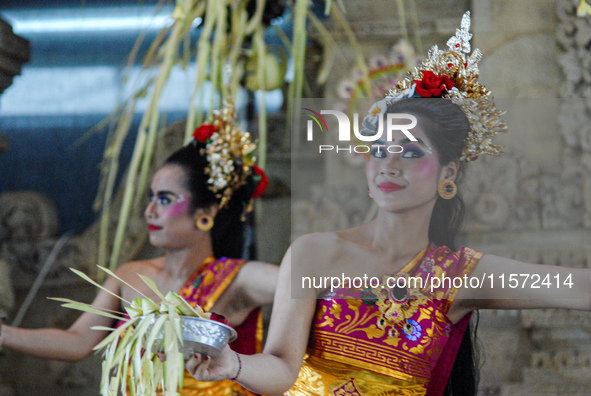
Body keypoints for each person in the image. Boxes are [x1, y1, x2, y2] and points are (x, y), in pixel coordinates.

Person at [183, 11, 591, 396]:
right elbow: (281, 366)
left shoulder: (457, 274)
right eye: (379, 149)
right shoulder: (314, 253)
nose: (388, 165)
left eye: (411, 152)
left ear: (448, 174)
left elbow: (578, 288)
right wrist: (233, 364)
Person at [0, 104, 278, 396]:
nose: (150, 211)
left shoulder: (237, 279)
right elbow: (78, 340)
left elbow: (316, 287)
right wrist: (5, 334)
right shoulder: (129, 275)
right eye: (150, 197)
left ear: (206, 211)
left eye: (166, 199)